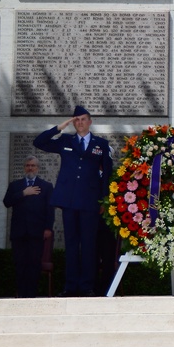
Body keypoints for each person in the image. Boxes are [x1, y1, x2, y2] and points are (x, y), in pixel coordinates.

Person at [33, 105, 112, 297]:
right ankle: (70, 286)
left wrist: (103, 201)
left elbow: (107, 174)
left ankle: (86, 286)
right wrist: (58, 128)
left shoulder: (100, 144)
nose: (80, 123)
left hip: (90, 203)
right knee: (70, 244)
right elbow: (39, 142)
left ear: (90, 121)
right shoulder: (65, 140)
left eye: (83, 119)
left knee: (88, 245)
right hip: (69, 201)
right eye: (76, 120)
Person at [2, 155, 55, 298]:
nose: (30, 168)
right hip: (19, 233)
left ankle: (31, 295)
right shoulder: (15, 185)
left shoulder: (46, 186)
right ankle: (21, 294)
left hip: (37, 233)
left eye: (33, 165)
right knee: (20, 264)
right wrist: (23, 193)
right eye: (27, 165)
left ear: (37, 168)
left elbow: (50, 209)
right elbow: (6, 202)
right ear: (24, 167)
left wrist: (48, 228)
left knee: (34, 264)